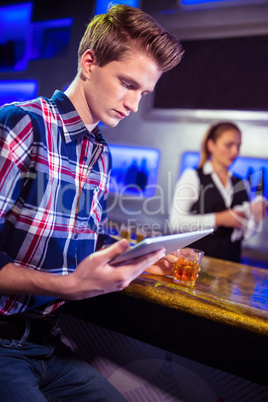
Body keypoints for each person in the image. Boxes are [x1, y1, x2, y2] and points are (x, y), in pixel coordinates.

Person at [0, 5, 184, 401]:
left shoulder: (100, 153)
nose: (134, 105)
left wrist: (141, 255)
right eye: (127, 84)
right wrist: (68, 285)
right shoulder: (20, 123)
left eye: (144, 93)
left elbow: (81, 236)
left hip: (48, 345)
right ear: (89, 62)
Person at [169, 121, 267, 263]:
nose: (235, 152)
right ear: (211, 145)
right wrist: (220, 219)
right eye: (229, 145)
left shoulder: (242, 183)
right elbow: (176, 223)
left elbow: (244, 235)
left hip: (231, 265)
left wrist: (255, 218)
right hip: (196, 264)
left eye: (238, 146)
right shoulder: (193, 176)